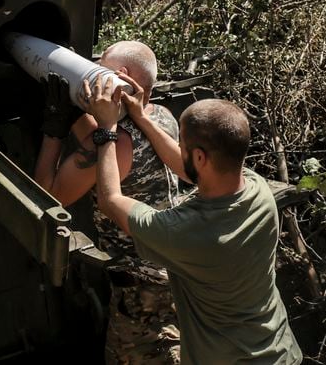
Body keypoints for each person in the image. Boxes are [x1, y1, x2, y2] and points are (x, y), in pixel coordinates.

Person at [83, 73, 303, 364]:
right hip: (280, 351)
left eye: (182, 143)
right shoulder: (256, 188)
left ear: (199, 157)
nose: (179, 148)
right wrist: (142, 117)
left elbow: (111, 201)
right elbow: (190, 171)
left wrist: (107, 128)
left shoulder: (185, 232)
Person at [33, 40, 182, 363]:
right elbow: (101, 138)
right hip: (172, 272)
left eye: (102, 67)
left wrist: (54, 129)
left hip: (141, 293)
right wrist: (77, 108)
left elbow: (49, 197)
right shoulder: (161, 117)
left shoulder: (121, 142)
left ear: (122, 76)